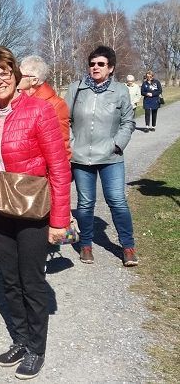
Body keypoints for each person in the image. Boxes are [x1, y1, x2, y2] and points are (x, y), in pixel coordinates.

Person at [0, 46, 71, 380]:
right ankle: (20, 338)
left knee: (32, 281)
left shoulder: (38, 111)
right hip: (1, 212)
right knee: (10, 280)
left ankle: (36, 348)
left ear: (15, 74)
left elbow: (59, 167)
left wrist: (59, 221)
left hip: (33, 211)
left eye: (4, 73)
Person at [64, 45, 138, 267]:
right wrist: (72, 143)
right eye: (92, 63)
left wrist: (118, 144)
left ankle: (128, 246)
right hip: (81, 158)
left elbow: (128, 122)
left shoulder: (120, 91)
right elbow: (64, 119)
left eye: (101, 64)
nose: (95, 67)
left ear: (111, 68)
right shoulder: (76, 89)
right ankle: (86, 244)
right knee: (85, 204)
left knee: (117, 201)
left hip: (111, 157)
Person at [19, 55, 71, 159]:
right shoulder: (18, 101)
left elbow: (62, 144)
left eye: (20, 75)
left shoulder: (56, 105)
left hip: (44, 169)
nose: (15, 78)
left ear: (34, 80)